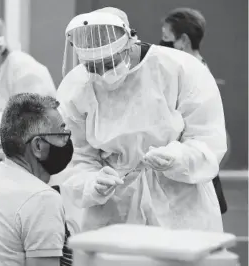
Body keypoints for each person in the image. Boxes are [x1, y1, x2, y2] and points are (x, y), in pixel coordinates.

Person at [56, 7, 227, 233]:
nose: (103, 75)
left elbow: (208, 139)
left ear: (130, 42)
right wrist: (91, 183)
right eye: (92, 67)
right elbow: (74, 155)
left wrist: (177, 158)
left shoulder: (181, 69)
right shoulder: (76, 86)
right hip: (114, 210)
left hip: (181, 207)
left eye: (109, 64)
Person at [0, 93, 73, 266]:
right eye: (61, 132)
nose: (67, 138)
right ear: (38, 146)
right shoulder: (42, 199)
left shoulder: (1, 173)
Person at [160, 7, 228, 214]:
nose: (161, 44)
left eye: (166, 37)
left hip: (190, 156)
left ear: (183, 41)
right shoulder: (189, 67)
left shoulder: (193, 74)